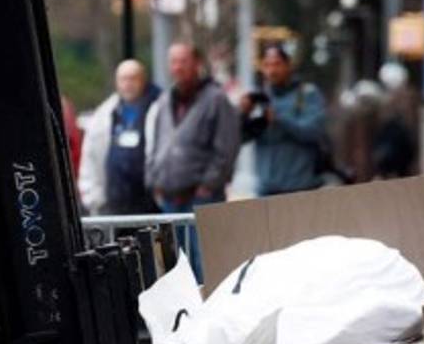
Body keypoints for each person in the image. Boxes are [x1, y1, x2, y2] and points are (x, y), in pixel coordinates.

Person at [145, 42, 241, 279]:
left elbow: (226, 148)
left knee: (205, 270)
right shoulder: (165, 100)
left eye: (183, 61)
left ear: (197, 64)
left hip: (201, 200)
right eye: (173, 61)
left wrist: (208, 186)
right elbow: (156, 143)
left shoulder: (216, 99)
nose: (177, 67)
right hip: (168, 200)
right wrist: (154, 179)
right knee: (175, 272)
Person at [239, 44, 329, 196]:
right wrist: (243, 115)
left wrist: (280, 119)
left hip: (301, 188)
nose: (272, 71)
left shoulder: (307, 94)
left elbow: (314, 131)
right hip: (266, 190)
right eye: (267, 65)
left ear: (289, 66)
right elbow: (240, 138)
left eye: (277, 64)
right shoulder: (259, 98)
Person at [79, 59, 161, 215]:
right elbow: (90, 155)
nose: (128, 84)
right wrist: (93, 196)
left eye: (133, 78)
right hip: (114, 202)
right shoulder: (104, 113)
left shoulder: (159, 108)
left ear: (143, 80)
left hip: (150, 203)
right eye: (123, 79)